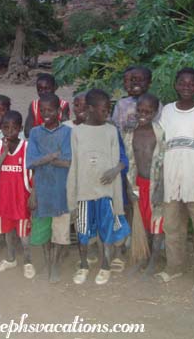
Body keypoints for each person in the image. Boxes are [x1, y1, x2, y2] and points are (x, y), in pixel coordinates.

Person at [155, 67, 194, 295]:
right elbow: (159, 146)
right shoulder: (166, 112)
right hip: (172, 176)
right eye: (182, 82)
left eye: (191, 83)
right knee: (172, 226)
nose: (186, 87)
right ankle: (174, 267)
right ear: (175, 84)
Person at [67, 89, 130, 285]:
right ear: (91, 109)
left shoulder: (111, 131)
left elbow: (120, 159)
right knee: (83, 231)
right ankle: (84, 265)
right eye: (104, 110)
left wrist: (114, 171)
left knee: (106, 230)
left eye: (109, 110)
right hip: (84, 193)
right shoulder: (77, 132)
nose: (107, 114)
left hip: (106, 192)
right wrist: (72, 197)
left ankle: (105, 265)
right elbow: (74, 166)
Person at [26, 93, 72, 283]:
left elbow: (68, 161)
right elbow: (31, 163)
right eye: (42, 110)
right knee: (43, 231)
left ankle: (54, 265)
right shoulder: (35, 133)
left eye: (50, 110)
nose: (46, 113)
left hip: (62, 192)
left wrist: (43, 160)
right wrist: (52, 156)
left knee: (60, 233)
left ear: (59, 111)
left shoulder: (67, 132)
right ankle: (47, 260)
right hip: (42, 191)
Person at [123, 93, 165, 277]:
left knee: (157, 224)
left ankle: (153, 262)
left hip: (156, 184)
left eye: (148, 111)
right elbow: (127, 162)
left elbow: (166, 161)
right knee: (141, 223)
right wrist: (128, 187)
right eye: (139, 110)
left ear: (155, 113)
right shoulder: (130, 133)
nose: (143, 114)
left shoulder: (161, 133)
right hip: (138, 183)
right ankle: (142, 257)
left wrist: (161, 188)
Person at [0, 111, 35, 279]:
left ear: (20, 128)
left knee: (24, 236)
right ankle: (10, 259)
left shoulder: (27, 147)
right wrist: (3, 153)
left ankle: (28, 261)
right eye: (5, 127)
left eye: (14, 128)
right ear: (1, 128)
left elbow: (34, 171)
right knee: (8, 232)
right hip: (5, 199)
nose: (9, 131)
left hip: (21, 198)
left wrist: (34, 194)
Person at [0, 94, 24, 256]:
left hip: (12, 179)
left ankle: (14, 241)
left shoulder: (18, 132)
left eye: (2, 109)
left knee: (13, 211)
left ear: (9, 110)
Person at [112, 66, 161, 133]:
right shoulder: (121, 104)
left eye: (141, 80)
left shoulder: (155, 104)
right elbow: (115, 126)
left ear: (149, 83)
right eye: (133, 80)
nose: (136, 83)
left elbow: (158, 127)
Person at [24, 73, 70, 138]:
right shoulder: (34, 105)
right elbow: (27, 132)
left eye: (47, 88)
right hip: (38, 141)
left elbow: (66, 130)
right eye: (40, 89)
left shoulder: (63, 105)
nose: (43, 92)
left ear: (55, 87)